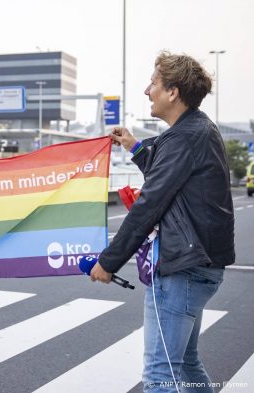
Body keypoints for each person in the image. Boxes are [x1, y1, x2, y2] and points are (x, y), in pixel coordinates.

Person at [89, 51, 235, 392]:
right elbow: (170, 175)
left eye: (153, 83)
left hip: (183, 268)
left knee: (160, 374)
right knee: (184, 362)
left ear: (173, 92)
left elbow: (150, 203)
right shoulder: (197, 130)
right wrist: (135, 147)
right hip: (201, 264)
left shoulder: (184, 136)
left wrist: (108, 262)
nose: (146, 91)